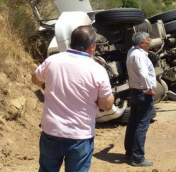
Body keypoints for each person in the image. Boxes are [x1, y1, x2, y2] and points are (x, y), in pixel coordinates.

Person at [31, 25, 114, 172]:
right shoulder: (97, 70)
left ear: (71, 42)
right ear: (92, 47)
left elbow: (35, 80)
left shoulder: (52, 60)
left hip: (51, 130)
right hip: (80, 134)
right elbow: (106, 105)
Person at [124, 32, 156, 167]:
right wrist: (148, 89)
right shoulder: (140, 55)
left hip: (134, 92)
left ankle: (130, 153)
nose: (150, 42)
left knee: (132, 123)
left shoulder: (132, 52)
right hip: (143, 94)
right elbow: (143, 73)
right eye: (148, 41)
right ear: (141, 43)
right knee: (141, 126)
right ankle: (138, 158)